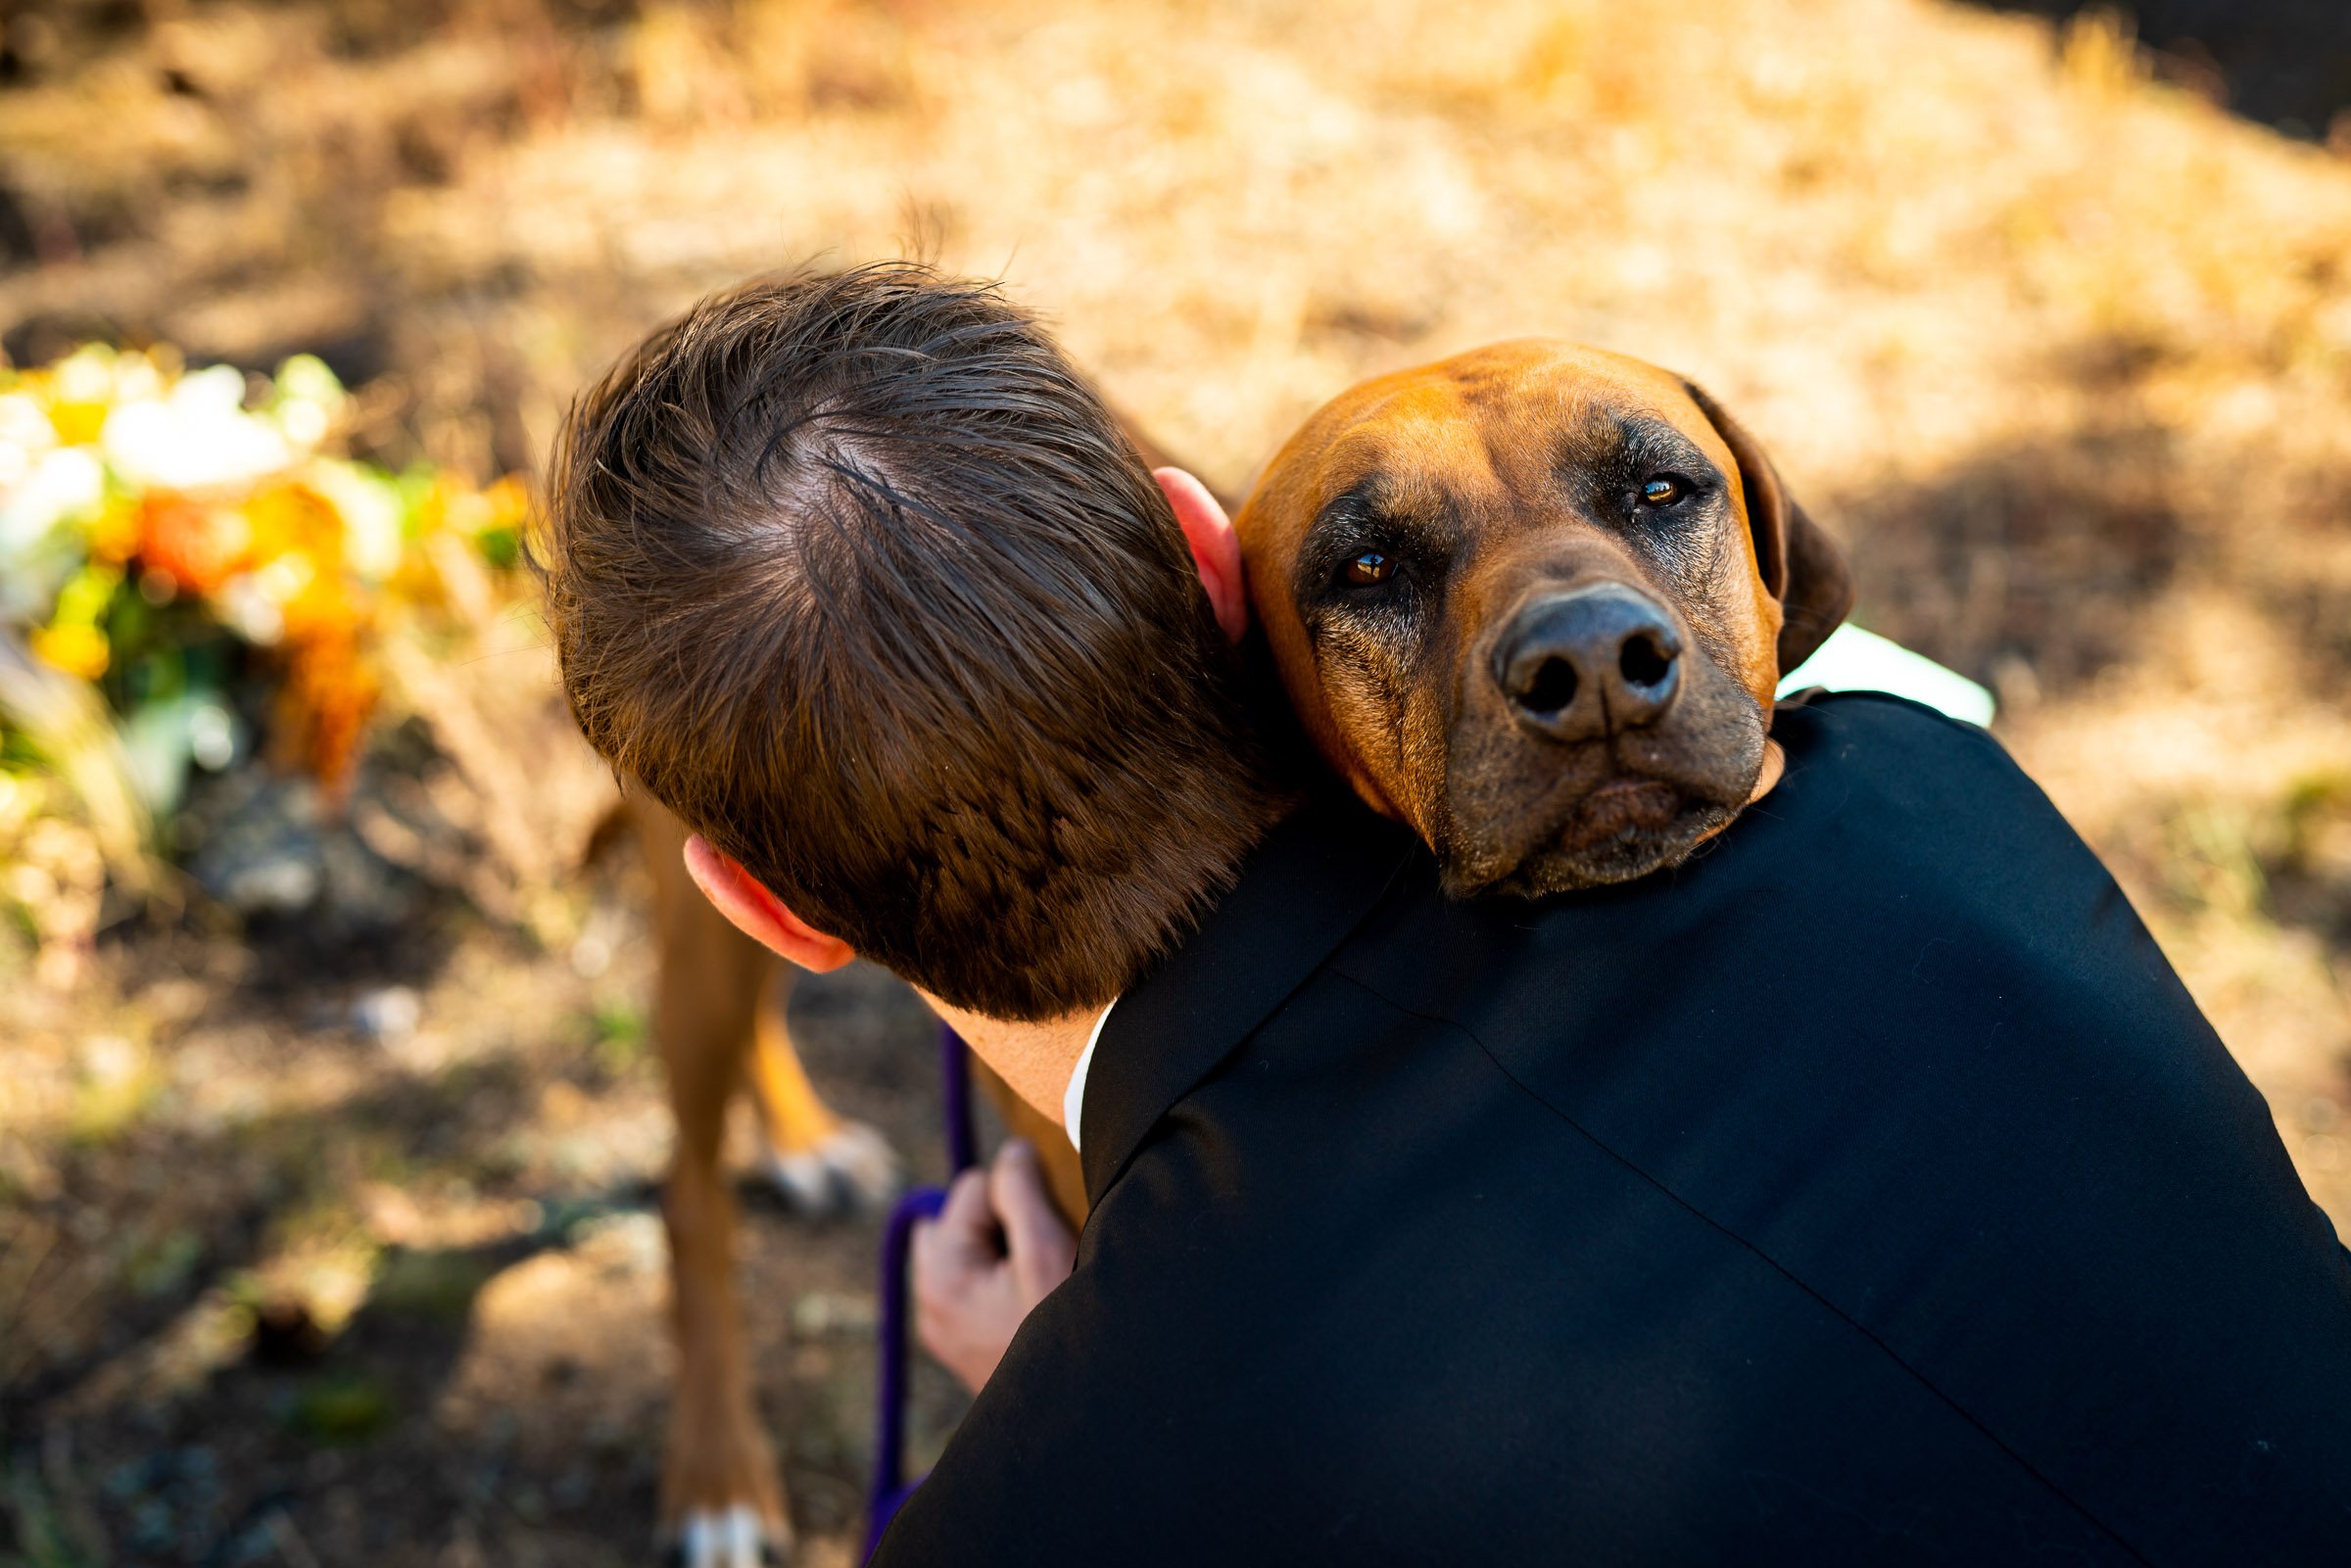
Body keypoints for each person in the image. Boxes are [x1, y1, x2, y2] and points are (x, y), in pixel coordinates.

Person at [539, 262, 2351, 1564]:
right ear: (1212, 565)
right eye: (1381, 569)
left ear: (766, 907)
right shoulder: (1941, 781)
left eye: (1656, 507)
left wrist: (1065, 1406)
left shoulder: (1067, 1486)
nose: (1595, 645)